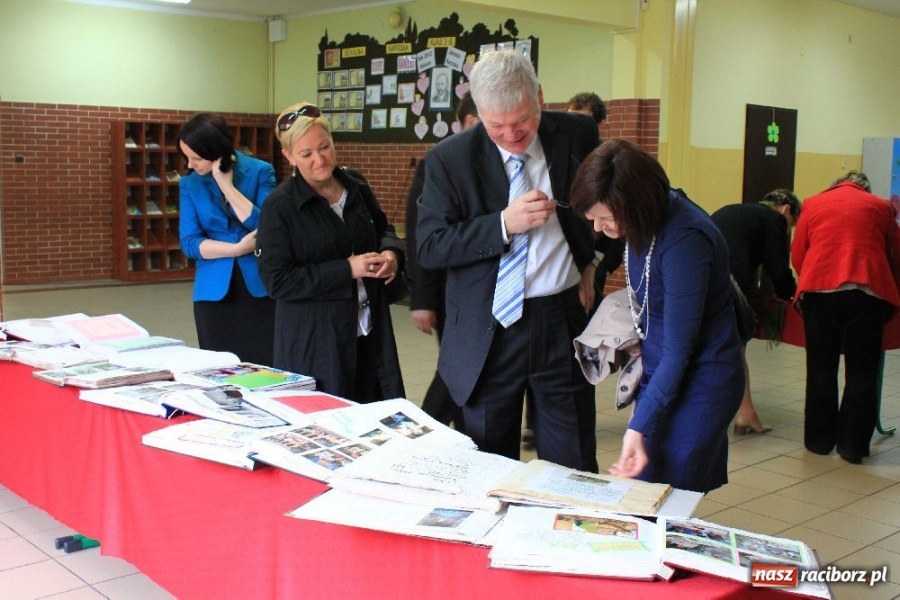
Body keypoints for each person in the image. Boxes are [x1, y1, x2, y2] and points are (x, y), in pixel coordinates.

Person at [417, 49, 600, 471]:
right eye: (496, 126)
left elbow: (603, 205)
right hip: (488, 326)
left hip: (559, 319)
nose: (512, 135)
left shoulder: (578, 133)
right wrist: (501, 224)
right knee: (488, 461)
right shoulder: (450, 160)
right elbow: (430, 245)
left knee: (571, 458)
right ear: (478, 112)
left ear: (539, 95)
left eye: (522, 121)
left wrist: (592, 263)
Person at [570, 139, 744, 493]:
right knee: (645, 491)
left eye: (605, 218)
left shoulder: (685, 240)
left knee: (666, 494)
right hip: (664, 369)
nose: (599, 229)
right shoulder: (645, 221)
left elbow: (680, 351)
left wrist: (638, 426)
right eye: (593, 219)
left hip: (701, 379)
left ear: (634, 202)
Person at [256, 102, 405, 403]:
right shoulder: (280, 206)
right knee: (330, 421)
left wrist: (391, 253)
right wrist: (347, 270)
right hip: (317, 341)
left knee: (379, 420)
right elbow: (277, 281)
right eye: (306, 154)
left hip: (369, 332)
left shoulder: (356, 185)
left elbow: (383, 230)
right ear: (289, 157)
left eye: (325, 147)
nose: (320, 160)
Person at [791, 171, 900, 464]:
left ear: (835, 184)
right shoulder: (880, 207)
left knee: (820, 369)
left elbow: (799, 251)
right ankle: (852, 447)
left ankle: (818, 442)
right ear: (866, 188)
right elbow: (895, 254)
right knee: (863, 371)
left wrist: (813, 278)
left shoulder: (813, 203)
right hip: (868, 293)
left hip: (820, 292)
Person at [177, 112, 277, 366]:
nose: (190, 165)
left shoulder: (261, 172)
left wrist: (227, 186)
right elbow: (190, 243)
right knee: (219, 370)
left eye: (196, 158)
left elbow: (267, 227)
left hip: (261, 287)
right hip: (212, 292)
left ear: (216, 151)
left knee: (266, 364)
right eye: (186, 157)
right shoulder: (190, 184)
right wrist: (236, 249)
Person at [405, 93, 479, 431]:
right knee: (456, 372)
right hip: (448, 290)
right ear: (466, 123)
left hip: (482, 293)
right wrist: (422, 299)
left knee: (471, 378)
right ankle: (420, 433)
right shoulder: (440, 161)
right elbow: (420, 235)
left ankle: (465, 442)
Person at [711, 189, 800, 435]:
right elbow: (778, 267)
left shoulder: (739, 211)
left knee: (714, 345)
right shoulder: (773, 219)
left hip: (702, 276)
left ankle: (742, 411)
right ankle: (745, 414)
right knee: (737, 346)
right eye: (792, 223)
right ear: (786, 210)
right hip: (730, 280)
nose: (789, 229)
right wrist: (792, 295)